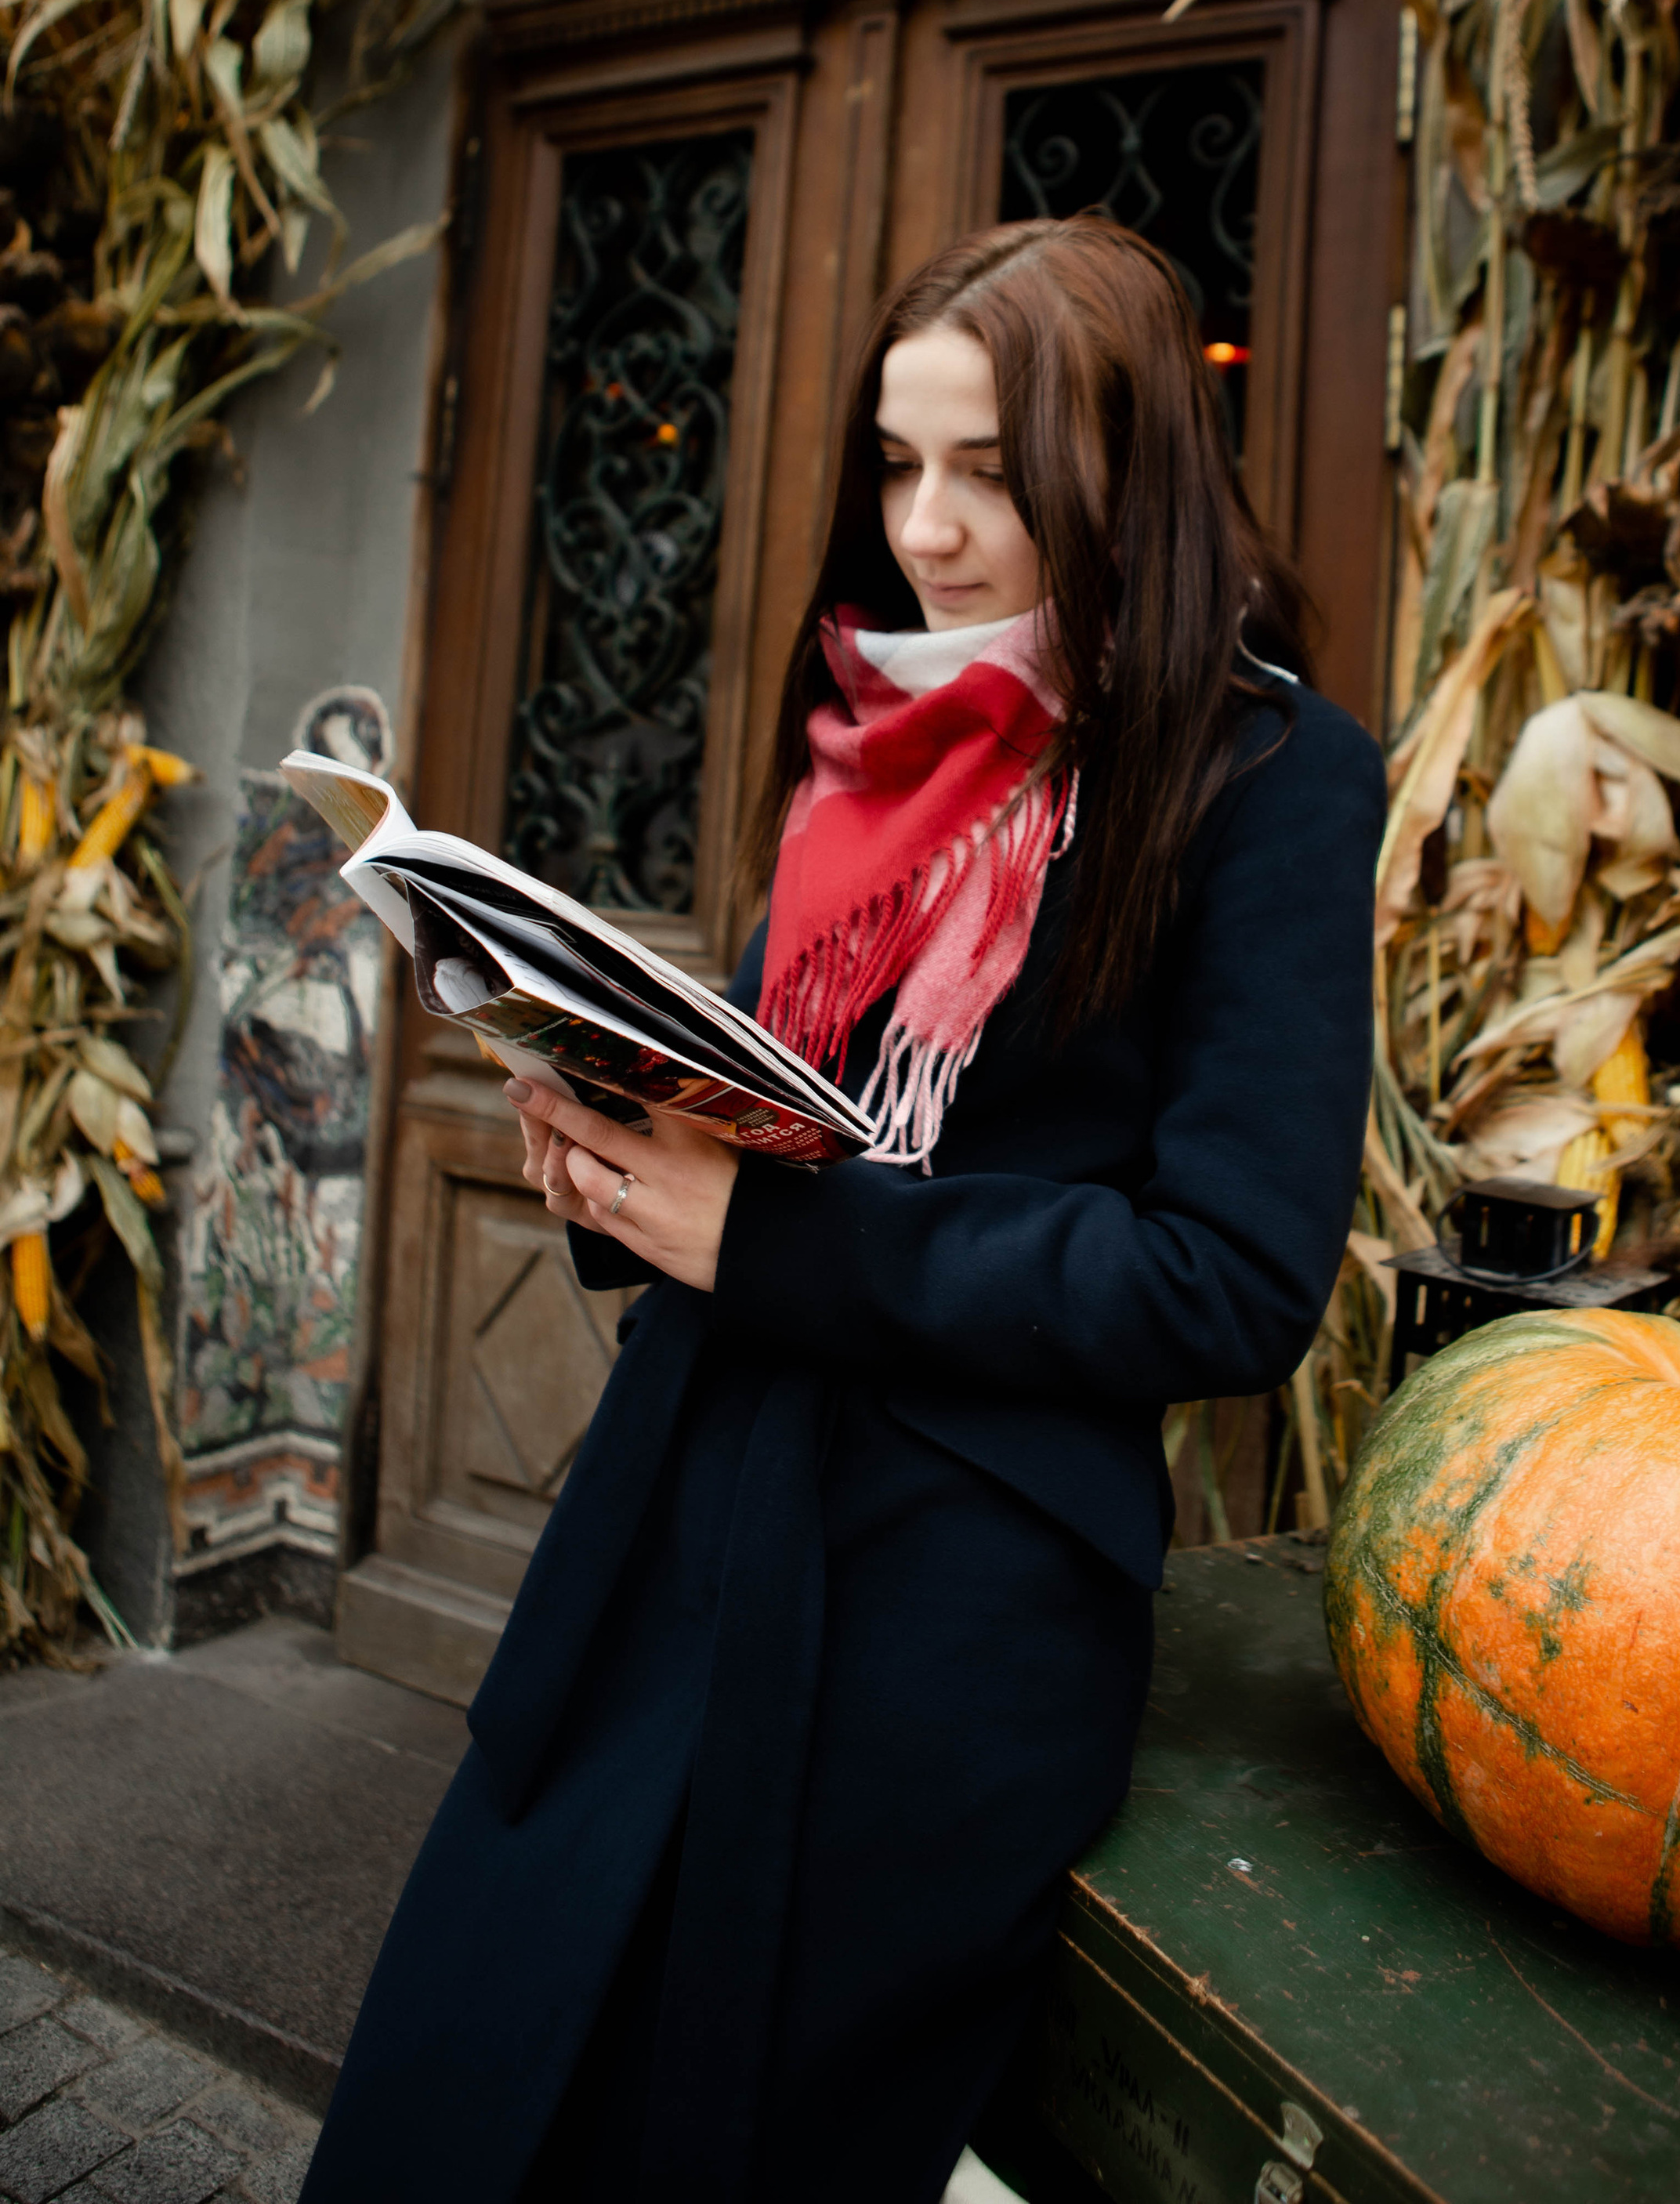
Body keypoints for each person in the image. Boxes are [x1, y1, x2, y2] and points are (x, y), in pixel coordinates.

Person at [301, 215, 1383, 2204]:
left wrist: (771, 1239)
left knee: (737, 2132)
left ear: (1124, 466)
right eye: (899, 465)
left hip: (946, 1598)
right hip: (683, 1511)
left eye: (991, 471)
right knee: (476, 2080)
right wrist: (624, 1156)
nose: (931, 530)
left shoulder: (1269, 780)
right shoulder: (881, 730)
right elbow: (789, 1112)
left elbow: (1225, 1281)